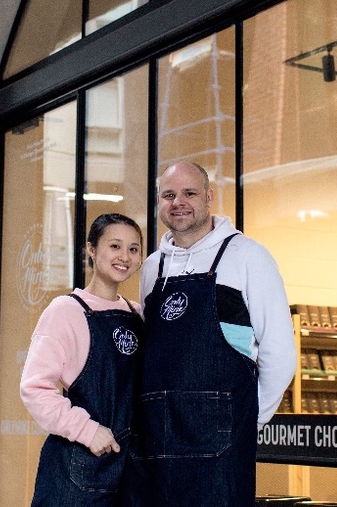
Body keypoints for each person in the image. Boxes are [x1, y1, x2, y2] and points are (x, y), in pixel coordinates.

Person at [123, 161, 297, 507]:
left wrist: (246, 420)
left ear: (209, 198)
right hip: (156, 442)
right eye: (168, 195)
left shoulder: (248, 256)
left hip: (222, 446)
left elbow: (280, 353)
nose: (179, 202)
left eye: (189, 193)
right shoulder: (152, 268)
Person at [20, 213, 144, 507]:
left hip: (130, 470)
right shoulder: (66, 310)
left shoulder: (138, 313)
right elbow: (34, 389)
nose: (124, 257)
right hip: (78, 470)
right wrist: (87, 431)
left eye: (133, 249)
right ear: (91, 249)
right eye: (114, 246)